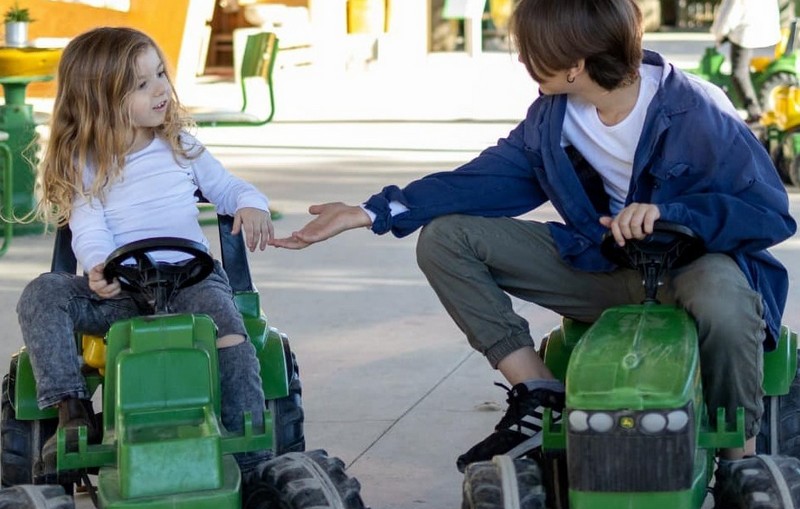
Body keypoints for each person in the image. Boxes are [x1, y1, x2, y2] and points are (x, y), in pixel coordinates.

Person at [271, 0, 796, 480]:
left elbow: (769, 214)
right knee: (446, 239)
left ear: (575, 64)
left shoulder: (698, 110)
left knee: (725, 302)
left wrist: (670, 212)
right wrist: (369, 211)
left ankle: (738, 458)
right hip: (605, 267)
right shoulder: (553, 118)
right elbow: (480, 180)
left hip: (694, 268)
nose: (521, 57)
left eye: (530, 51)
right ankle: (540, 392)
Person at [18, 26, 274, 479]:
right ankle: (71, 410)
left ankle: (250, 455)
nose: (162, 89)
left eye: (160, 73)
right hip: (122, 291)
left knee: (232, 335)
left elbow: (229, 188)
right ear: (102, 99)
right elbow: (88, 227)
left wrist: (251, 205)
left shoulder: (180, 145)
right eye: (142, 84)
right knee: (42, 293)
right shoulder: (84, 163)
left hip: (190, 281)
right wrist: (98, 266)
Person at [711, 0, 782, 123]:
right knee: (748, 72)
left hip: (746, 33)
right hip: (767, 34)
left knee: (739, 73)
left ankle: (754, 112)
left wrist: (719, 34)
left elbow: (730, 13)